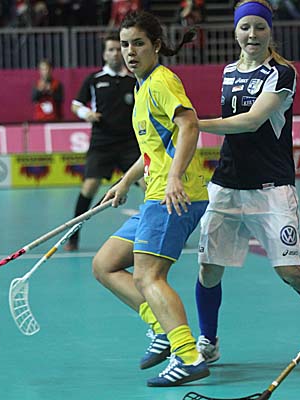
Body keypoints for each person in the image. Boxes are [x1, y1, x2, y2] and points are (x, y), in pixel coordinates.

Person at [192, 0, 300, 367]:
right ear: (235, 31)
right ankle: (208, 340)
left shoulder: (282, 73)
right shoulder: (228, 71)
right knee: (208, 268)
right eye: (245, 27)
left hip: (271, 187)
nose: (252, 34)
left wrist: (193, 125)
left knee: (291, 271)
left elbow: (252, 121)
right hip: (226, 184)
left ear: (270, 30)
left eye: (260, 27)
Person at [90, 11, 210, 386]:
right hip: (155, 192)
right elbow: (153, 149)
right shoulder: (142, 88)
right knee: (105, 264)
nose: (130, 51)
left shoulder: (161, 81)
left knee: (148, 275)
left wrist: (173, 177)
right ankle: (161, 325)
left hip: (175, 195)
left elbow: (189, 125)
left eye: (138, 43)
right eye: (125, 44)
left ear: (156, 45)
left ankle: (188, 356)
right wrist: (125, 181)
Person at [65, 33, 143, 251]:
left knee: (149, 184)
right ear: (104, 54)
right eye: (111, 49)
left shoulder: (134, 80)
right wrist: (86, 114)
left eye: (119, 49)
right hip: (102, 143)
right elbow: (75, 104)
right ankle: (73, 236)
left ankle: (165, 230)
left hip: (130, 143)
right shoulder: (94, 79)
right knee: (89, 187)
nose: (115, 53)